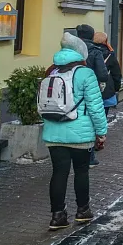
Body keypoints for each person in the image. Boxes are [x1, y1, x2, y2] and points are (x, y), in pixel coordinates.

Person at [43, 32, 107, 231]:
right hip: (80, 134)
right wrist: (101, 132)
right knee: (81, 171)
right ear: (81, 53)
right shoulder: (85, 73)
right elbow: (96, 107)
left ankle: (57, 216)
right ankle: (83, 211)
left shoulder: (51, 71)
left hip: (54, 133)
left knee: (58, 173)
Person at [88, 32, 122, 165]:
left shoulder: (87, 52)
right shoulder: (110, 54)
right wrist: (116, 88)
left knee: (90, 118)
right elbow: (116, 74)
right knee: (102, 117)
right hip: (105, 91)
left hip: (90, 90)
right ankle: (99, 141)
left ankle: (91, 145)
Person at [76, 24, 108, 166]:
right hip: (90, 88)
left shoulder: (71, 50)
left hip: (72, 88)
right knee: (89, 119)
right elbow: (102, 74)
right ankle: (89, 158)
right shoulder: (95, 51)